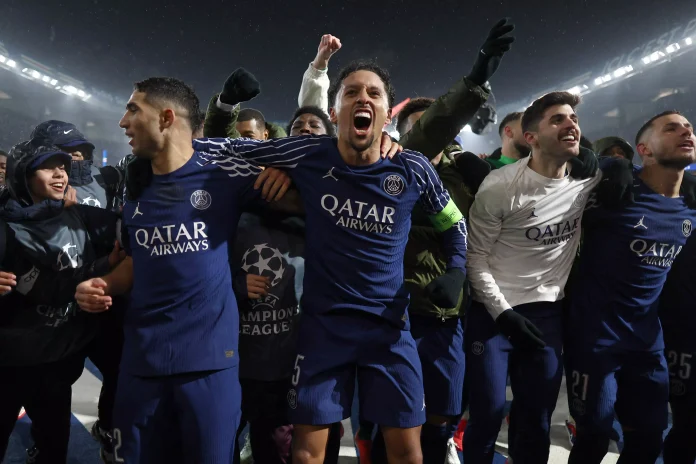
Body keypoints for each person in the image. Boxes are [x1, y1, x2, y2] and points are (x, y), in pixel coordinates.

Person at [74, 75, 398, 463]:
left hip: (210, 367)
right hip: (140, 366)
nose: (123, 122)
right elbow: (138, 260)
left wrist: (299, 172)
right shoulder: (136, 184)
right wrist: (104, 283)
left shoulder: (223, 175)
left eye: (132, 110)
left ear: (164, 117)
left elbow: (318, 198)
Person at [188, 60, 468, 464]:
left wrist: (457, 270)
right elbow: (224, 150)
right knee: (305, 456)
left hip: (389, 332)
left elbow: (453, 224)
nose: (363, 98)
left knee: (408, 454)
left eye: (374, 93)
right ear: (335, 113)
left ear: (388, 114)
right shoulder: (307, 153)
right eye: (351, 92)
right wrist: (155, 160)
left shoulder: (412, 167)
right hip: (323, 331)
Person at [464, 91, 601, 464]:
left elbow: (644, 176)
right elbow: (474, 259)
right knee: (488, 415)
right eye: (557, 119)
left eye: (573, 118)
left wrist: (614, 166)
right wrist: (503, 314)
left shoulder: (587, 181)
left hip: (546, 316)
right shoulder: (500, 186)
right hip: (493, 316)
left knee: (535, 420)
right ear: (531, 137)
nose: (570, 124)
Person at [565, 111, 696, 464]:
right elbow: (559, 163)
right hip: (594, 340)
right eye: (672, 128)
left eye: (689, 128)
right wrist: (606, 163)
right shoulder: (613, 188)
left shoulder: (690, 203)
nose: (686, 132)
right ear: (644, 150)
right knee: (594, 437)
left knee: (648, 441)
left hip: (647, 343)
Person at [0, 141, 120, 464]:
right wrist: (100, 270)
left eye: (64, 167)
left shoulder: (75, 215)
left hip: (54, 362)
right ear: (22, 175)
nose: (60, 174)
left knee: (54, 449)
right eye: (47, 167)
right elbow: (44, 288)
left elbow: (117, 236)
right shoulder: (6, 228)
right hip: (10, 363)